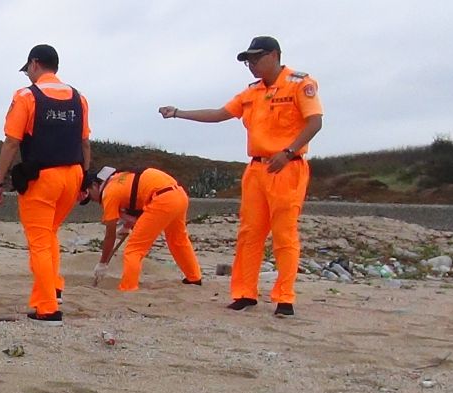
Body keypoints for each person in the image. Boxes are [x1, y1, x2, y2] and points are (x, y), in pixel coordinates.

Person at [158, 36, 323, 316]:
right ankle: (245, 293)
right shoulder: (252, 93)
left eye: (256, 59)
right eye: (249, 61)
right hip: (256, 168)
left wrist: (288, 151)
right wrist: (178, 113)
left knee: (284, 234)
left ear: (274, 55)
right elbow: (220, 113)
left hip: (287, 166)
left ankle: (284, 297)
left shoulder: (299, 83)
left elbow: (315, 122)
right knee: (249, 233)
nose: (252, 65)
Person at [0, 44, 90, 326]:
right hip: (72, 174)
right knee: (50, 234)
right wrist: (85, 176)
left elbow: (12, 141)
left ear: (34, 64)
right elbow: (84, 142)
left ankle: (47, 307)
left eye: (28, 70)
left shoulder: (26, 96)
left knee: (39, 242)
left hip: (43, 179)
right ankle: (52, 288)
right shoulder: (78, 98)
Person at [86, 166, 203, 290]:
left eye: (90, 196)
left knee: (133, 249)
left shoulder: (108, 193)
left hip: (161, 200)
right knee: (178, 240)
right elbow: (135, 196)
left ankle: (128, 287)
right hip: (179, 195)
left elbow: (110, 235)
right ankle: (194, 278)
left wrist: (103, 263)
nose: (93, 200)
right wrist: (126, 226)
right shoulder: (119, 178)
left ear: (95, 185)